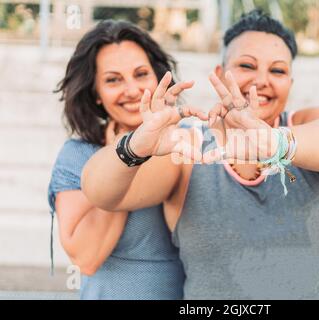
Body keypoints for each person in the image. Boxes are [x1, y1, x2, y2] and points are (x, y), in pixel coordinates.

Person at [82, 10, 319, 299]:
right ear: (219, 74)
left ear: (290, 83)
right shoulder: (188, 150)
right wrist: (136, 145)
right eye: (246, 65)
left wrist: (273, 143)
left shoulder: (306, 126)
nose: (261, 80)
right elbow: (99, 191)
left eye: (277, 71)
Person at [48, 20, 206, 299]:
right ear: (96, 93)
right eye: (113, 80)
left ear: (158, 78)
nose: (132, 90)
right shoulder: (77, 156)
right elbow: (86, 257)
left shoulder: (187, 143)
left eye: (141, 74)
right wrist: (125, 155)